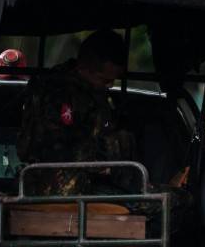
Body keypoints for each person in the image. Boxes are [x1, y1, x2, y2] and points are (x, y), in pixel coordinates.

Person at [16, 29, 134, 195]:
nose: (109, 86)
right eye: (105, 79)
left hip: (84, 184)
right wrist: (101, 159)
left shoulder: (92, 94)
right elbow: (55, 150)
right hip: (59, 188)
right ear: (85, 68)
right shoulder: (56, 93)